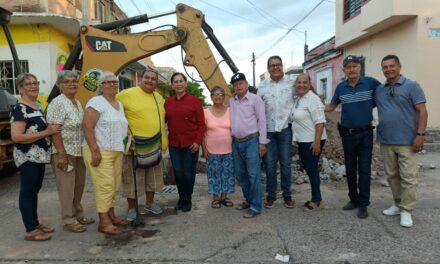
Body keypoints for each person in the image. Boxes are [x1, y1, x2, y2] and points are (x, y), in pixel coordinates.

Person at [325, 55, 380, 219]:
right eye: (348, 67)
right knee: (350, 168)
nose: (352, 69)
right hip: (347, 134)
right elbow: (331, 106)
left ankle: (363, 204)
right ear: (344, 70)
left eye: (354, 66)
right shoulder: (341, 87)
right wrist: (313, 103)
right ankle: (353, 199)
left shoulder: (371, 83)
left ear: (359, 67)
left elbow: (382, 97)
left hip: (365, 134)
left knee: (364, 168)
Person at [375, 55, 428, 228]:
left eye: (392, 66)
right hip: (386, 140)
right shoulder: (379, 90)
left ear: (399, 66)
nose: (388, 69)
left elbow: (422, 111)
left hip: (407, 140)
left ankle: (407, 210)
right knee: (392, 176)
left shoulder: (411, 86)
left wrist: (420, 134)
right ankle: (398, 205)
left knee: (409, 177)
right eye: (385, 67)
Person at [10, 72, 62, 241]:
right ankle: (30, 229)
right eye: (28, 84)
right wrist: (47, 131)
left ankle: (35, 223)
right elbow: (16, 137)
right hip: (27, 157)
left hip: (39, 156)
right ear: (20, 88)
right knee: (27, 192)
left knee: (34, 191)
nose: (34, 86)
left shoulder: (36, 106)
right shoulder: (20, 109)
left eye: (36, 82)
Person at [46, 70, 94, 233]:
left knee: (78, 186)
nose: (72, 84)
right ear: (60, 86)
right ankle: (68, 219)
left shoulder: (77, 103)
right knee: (67, 187)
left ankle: (78, 214)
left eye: (74, 81)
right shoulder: (57, 103)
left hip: (79, 151)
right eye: (67, 81)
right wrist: (62, 154)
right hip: (64, 152)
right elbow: (54, 130)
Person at [116, 69, 168, 220]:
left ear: (156, 82)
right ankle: (132, 208)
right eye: (147, 77)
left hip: (155, 146)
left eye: (153, 78)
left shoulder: (158, 97)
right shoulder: (126, 94)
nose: (150, 81)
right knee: (132, 180)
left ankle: (150, 203)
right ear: (140, 79)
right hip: (134, 147)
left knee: (153, 178)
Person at [83, 72, 128, 235]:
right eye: (109, 82)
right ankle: (104, 222)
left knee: (115, 186)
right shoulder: (96, 102)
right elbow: (87, 126)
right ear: (101, 86)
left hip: (116, 151)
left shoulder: (118, 103)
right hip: (100, 151)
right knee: (105, 186)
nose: (113, 84)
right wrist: (95, 151)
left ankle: (112, 215)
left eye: (115, 82)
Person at [229, 72, 269, 218]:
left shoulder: (255, 99)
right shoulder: (231, 101)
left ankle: (256, 206)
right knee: (240, 174)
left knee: (253, 174)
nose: (238, 86)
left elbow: (262, 121)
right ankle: (249, 200)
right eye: (235, 84)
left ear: (246, 84)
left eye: (240, 83)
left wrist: (262, 143)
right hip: (236, 143)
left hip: (252, 141)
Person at [257, 55, 295, 209]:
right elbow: (257, 108)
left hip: (285, 129)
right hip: (268, 131)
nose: (275, 67)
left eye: (278, 64)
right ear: (268, 69)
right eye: (272, 65)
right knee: (270, 164)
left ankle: (287, 195)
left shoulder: (292, 82)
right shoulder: (262, 86)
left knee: (286, 163)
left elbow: (305, 89)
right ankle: (271, 195)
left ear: (282, 66)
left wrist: (318, 98)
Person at [165, 72, 206, 212]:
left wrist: (198, 141)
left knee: (188, 173)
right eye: (175, 81)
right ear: (172, 85)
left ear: (186, 83)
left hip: (191, 143)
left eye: (181, 81)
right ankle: (181, 197)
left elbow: (202, 124)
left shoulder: (195, 101)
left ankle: (187, 199)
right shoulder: (168, 102)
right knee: (178, 173)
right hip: (174, 144)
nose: (179, 83)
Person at [291, 74, 327, 212]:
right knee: (309, 168)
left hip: (312, 140)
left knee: (312, 169)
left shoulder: (313, 99)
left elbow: (320, 121)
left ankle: (317, 200)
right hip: (303, 140)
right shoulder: (300, 99)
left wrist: (317, 142)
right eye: (299, 82)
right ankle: (315, 197)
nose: (301, 85)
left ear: (309, 84)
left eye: (304, 82)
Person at [202, 86, 234, 209]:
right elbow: (202, 132)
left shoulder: (230, 111)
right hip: (211, 149)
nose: (218, 96)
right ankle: (215, 198)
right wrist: (204, 149)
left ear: (224, 97)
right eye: (215, 94)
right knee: (214, 174)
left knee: (227, 174)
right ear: (211, 97)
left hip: (229, 149)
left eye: (221, 94)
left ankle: (224, 197)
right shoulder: (205, 112)